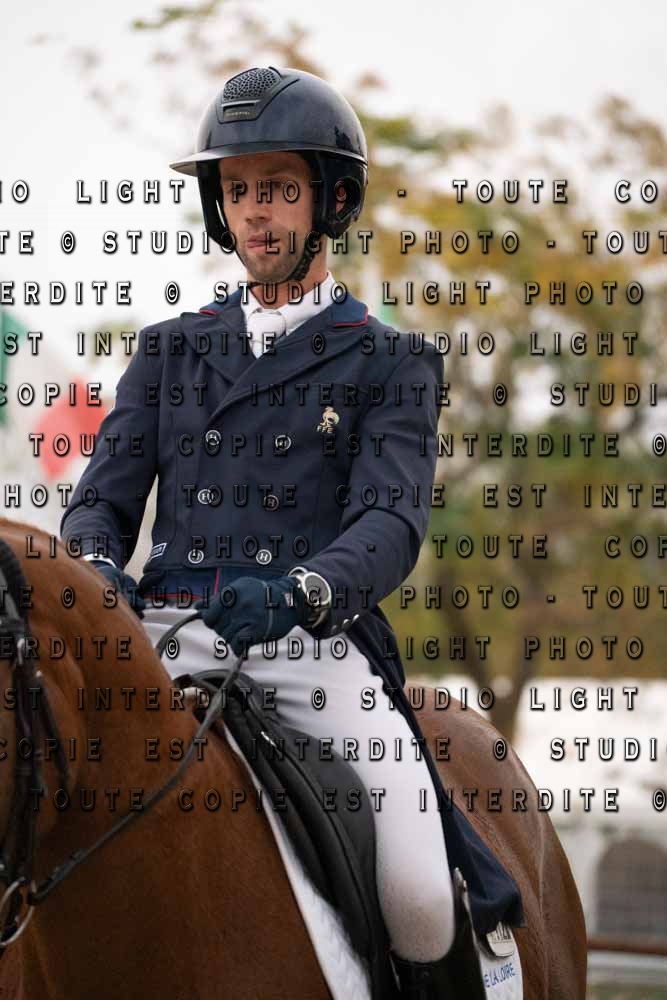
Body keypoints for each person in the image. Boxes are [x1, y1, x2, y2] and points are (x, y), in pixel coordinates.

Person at [60, 66, 509, 997]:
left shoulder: (390, 361)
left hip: (312, 648)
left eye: (275, 189)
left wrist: (303, 591)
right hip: (166, 637)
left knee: (422, 895)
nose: (253, 213)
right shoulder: (169, 349)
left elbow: (389, 521)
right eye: (236, 192)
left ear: (331, 200)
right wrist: (97, 564)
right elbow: (101, 499)